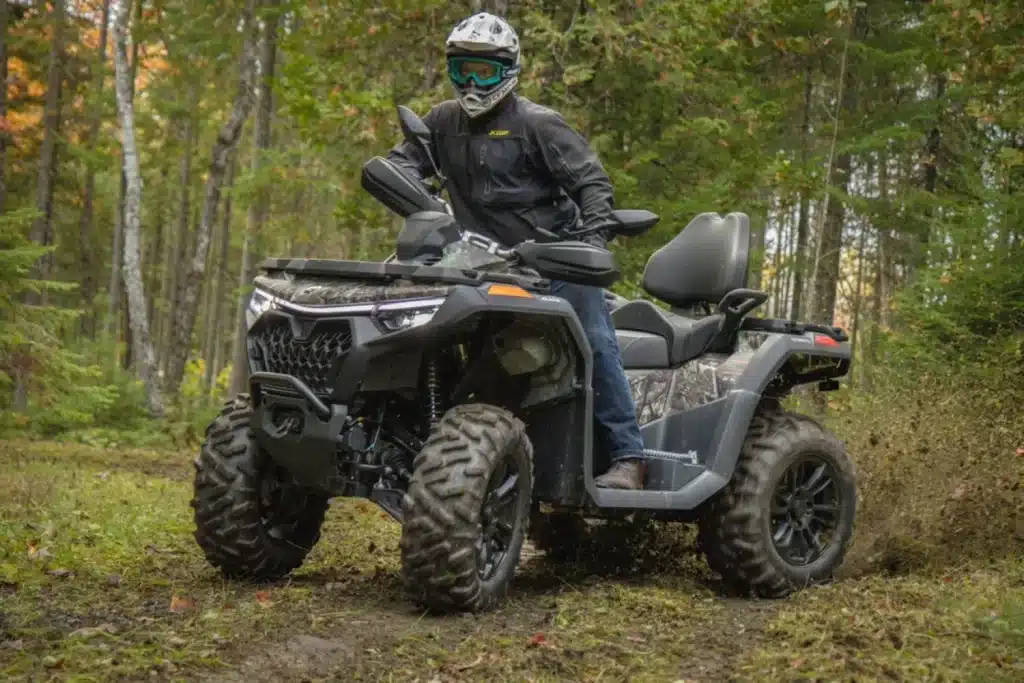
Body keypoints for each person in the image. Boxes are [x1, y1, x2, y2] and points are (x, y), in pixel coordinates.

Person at [387, 12, 647, 490]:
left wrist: (590, 242)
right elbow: (402, 166)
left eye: (482, 71)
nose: (471, 80)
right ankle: (411, 435)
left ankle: (628, 457)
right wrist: (390, 176)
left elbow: (592, 183)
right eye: (462, 68)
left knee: (593, 335)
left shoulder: (538, 125)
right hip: (474, 264)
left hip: (552, 263)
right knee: (412, 319)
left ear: (508, 70)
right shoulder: (442, 121)